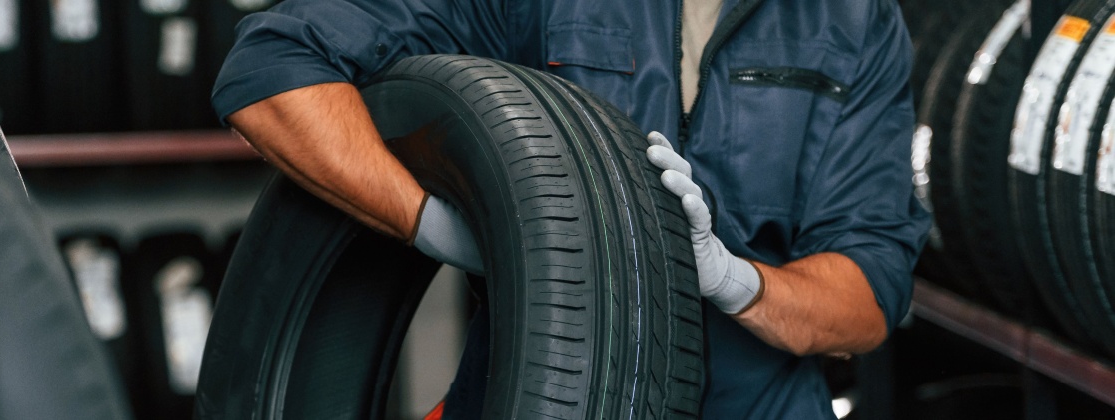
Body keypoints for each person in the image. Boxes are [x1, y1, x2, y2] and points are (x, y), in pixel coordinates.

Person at [212, 0, 930, 418]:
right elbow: (275, 68)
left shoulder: (856, 18)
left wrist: (737, 281)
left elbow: (870, 291)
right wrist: (440, 223)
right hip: (536, 395)